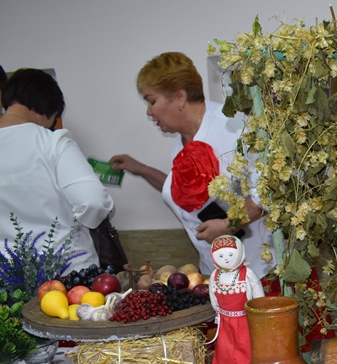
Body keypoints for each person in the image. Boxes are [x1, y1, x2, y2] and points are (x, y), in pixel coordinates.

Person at [110, 52, 275, 278]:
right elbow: (188, 195)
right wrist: (141, 169)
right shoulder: (180, 142)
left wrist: (228, 225)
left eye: (152, 101)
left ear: (179, 97)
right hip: (213, 270)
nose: (149, 111)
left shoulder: (233, 128)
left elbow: (265, 192)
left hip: (259, 271)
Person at [0, 68, 114, 271]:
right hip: (66, 271)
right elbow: (94, 202)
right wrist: (81, 223)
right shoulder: (53, 142)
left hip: (5, 276)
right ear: (47, 110)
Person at [208, 235, 264, 364]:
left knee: (245, 350)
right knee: (224, 352)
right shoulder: (215, 276)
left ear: (239, 253)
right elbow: (213, 299)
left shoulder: (247, 274)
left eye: (231, 254)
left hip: (244, 322)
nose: (226, 259)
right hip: (225, 324)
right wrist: (219, 312)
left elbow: (259, 298)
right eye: (220, 256)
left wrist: (259, 314)